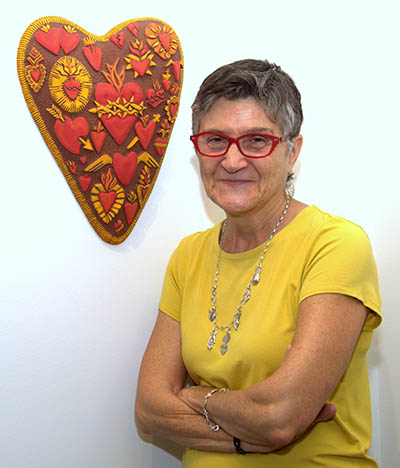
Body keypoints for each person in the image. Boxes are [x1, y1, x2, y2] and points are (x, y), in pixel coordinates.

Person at [135, 59, 381, 467]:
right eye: (215, 140)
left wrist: (197, 396)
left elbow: (278, 418)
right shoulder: (188, 255)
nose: (232, 161)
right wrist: (249, 437)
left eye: (256, 141)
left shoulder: (335, 244)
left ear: (292, 150)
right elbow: (149, 410)